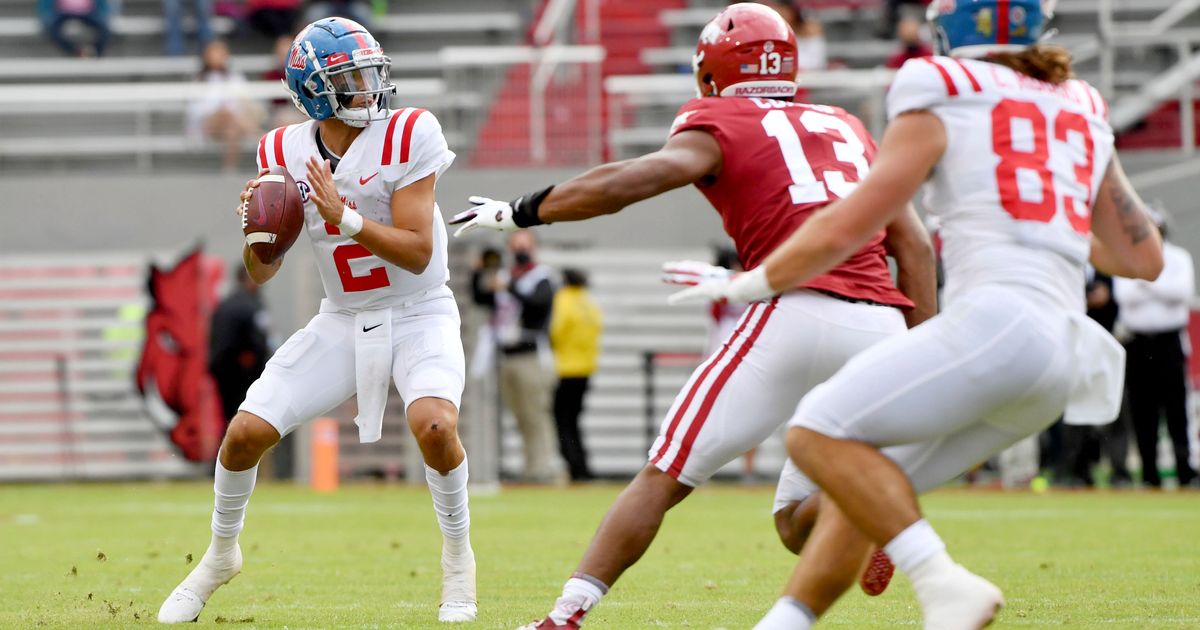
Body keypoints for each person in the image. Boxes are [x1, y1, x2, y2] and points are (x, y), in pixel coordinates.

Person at [670, 2, 1165, 627]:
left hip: (997, 324)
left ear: (954, 24)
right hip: (1063, 358)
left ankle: (940, 578)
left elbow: (855, 217)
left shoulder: (942, 84)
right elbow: (1142, 256)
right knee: (856, 493)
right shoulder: (1081, 101)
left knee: (814, 433)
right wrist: (1044, 231)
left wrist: (755, 282)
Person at [449, 4, 937, 627]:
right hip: (880, 326)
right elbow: (915, 247)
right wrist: (926, 360)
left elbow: (634, 180)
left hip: (790, 310)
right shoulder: (845, 124)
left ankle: (563, 617)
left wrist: (521, 210)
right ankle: (867, 521)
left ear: (712, 74)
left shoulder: (718, 117)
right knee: (796, 523)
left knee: (664, 475)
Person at [157, 17, 477, 624]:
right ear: (312, 90)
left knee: (435, 426)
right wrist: (260, 233)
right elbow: (260, 273)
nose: (368, 87)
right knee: (244, 434)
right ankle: (220, 555)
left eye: (368, 72)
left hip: (419, 309)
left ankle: (458, 558)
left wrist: (345, 216)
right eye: (350, 78)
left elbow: (418, 250)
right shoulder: (282, 150)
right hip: (343, 315)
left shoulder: (410, 131)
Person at [1113, 217, 1196, 488]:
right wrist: (1158, 286)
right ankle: (1149, 474)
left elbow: (1181, 292)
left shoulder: (1178, 257)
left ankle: (1185, 469)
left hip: (1169, 342)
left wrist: (1146, 281)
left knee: (1176, 409)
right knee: (1142, 410)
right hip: (1137, 343)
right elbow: (1125, 296)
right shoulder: (1126, 256)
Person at [495, 231, 561, 483]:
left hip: (531, 354)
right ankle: (530, 466)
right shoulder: (506, 275)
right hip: (507, 354)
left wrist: (509, 287)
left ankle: (544, 468)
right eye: (516, 246)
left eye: (525, 246)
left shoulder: (542, 277)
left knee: (536, 413)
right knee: (520, 415)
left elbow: (537, 304)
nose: (520, 250)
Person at [550, 268, 603, 482]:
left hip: (565, 368)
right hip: (585, 369)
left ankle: (575, 467)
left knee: (562, 421)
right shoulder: (589, 303)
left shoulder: (564, 300)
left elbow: (556, 331)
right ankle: (582, 466)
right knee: (574, 420)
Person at [185, 40, 263, 171]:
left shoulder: (234, 77)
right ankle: (258, 135)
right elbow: (194, 110)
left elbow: (246, 100)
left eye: (220, 53)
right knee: (226, 112)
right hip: (207, 124)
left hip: (232, 123)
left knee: (232, 129)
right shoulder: (199, 79)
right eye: (214, 53)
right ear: (206, 56)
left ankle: (229, 169)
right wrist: (218, 110)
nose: (217, 56)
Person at [208, 266, 269, 425]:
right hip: (244, 378)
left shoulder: (225, 304)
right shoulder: (252, 306)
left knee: (229, 422)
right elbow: (259, 345)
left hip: (222, 376)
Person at [37, 0, 112, 58]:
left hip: (88, 13)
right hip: (62, 14)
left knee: (104, 29)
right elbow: (45, 7)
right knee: (52, 29)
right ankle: (77, 52)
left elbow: (103, 7)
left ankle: (96, 53)